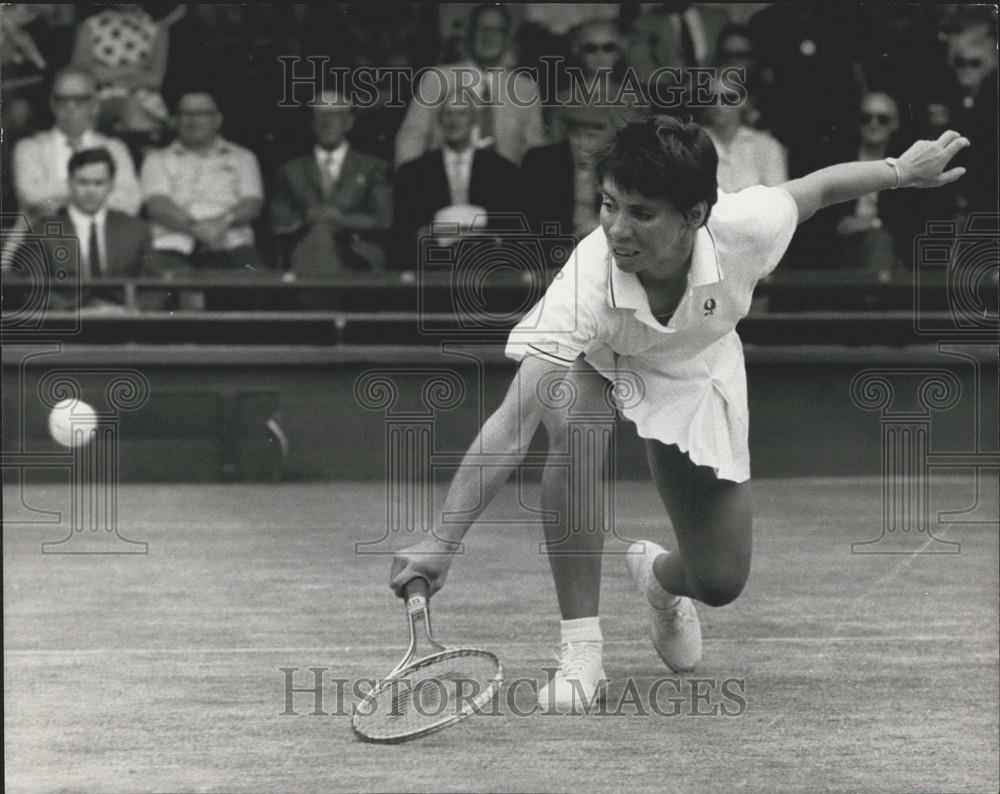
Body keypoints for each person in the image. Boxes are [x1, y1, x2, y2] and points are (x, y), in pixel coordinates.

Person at [389, 115, 970, 710]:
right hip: (602, 355)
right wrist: (442, 541)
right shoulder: (586, 282)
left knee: (720, 581)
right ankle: (582, 650)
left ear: (695, 214)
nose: (617, 229)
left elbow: (818, 189)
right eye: (609, 204)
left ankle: (660, 580)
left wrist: (902, 171)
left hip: (697, 363)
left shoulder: (747, 225)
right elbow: (514, 424)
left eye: (641, 213)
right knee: (575, 427)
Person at [394, 3, 545, 168]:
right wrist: (410, 184)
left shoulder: (525, 89)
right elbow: (412, 137)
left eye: (497, 30)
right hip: (444, 185)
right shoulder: (437, 79)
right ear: (471, 34)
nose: (489, 37)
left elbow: (536, 151)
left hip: (505, 188)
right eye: (482, 29)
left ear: (507, 38)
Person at [140, 89, 264, 275]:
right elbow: (158, 205)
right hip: (173, 245)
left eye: (202, 114)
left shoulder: (243, 157)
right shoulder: (157, 159)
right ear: (176, 120)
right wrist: (197, 229)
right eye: (186, 114)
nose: (193, 120)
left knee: (251, 281)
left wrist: (221, 223)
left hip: (231, 244)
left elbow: (252, 204)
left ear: (217, 119)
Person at [271, 90, 392, 277]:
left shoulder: (373, 167)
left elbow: (383, 219)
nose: (326, 122)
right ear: (311, 122)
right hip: (304, 252)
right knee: (318, 239)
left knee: (322, 239)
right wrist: (307, 217)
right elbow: (279, 220)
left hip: (358, 253)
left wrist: (337, 218)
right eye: (319, 115)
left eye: (335, 114)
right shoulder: (290, 170)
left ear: (349, 122)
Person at [393, 95, 520, 268]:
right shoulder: (414, 172)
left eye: (461, 114)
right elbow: (408, 228)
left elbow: (509, 224)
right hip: (433, 264)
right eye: (448, 114)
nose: (454, 121)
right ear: (439, 120)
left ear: (474, 120)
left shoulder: (501, 170)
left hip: (489, 263)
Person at [13, 68, 142, 220]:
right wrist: (96, 192)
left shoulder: (114, 148)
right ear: (52, 104)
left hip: (102, 237)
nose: (70, 106)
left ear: (95, 104)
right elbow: (32, 197)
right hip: (43, 237)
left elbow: (130, 203)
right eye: (61, 99)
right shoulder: (29, 147)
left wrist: (58, 197)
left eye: (80, 99)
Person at [36, 147, 152, 312]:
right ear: (69, 183)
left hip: (126, 324)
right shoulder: (43, 231)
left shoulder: (135, 229)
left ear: (111, 185)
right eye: (82, 182)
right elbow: (30, 287)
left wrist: (132, 310)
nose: (90, 190)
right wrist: (73, 313)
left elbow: (154, 284)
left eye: (98, 183)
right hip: (66, 326)